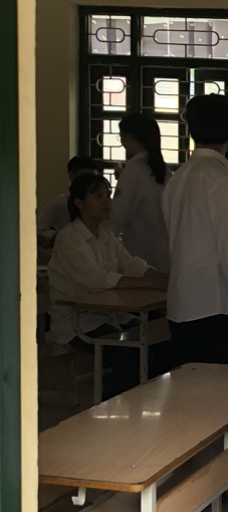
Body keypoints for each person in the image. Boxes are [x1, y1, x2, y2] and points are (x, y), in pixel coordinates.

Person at [46, 172, 169, 394]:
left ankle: (146, 398)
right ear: (79, 203)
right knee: (129, 354)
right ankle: (111, 405)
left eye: (108, 195)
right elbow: (96, 279)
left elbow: (130, 263)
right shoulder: (69, 238)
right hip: (78, 322)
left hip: (110, 316)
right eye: (98, 196)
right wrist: (151, 284)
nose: (106, 201)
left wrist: (164, 278)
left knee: (161, 343)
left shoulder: (105, 235)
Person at [162, 95, 228, 366]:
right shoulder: (223, 181)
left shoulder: (177, 179)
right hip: (211, 304)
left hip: (179, 301)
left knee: (187, 383)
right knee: (215, 386)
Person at [108, 114, 172, 271]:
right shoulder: (165, 171)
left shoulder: (133, 170)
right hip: (167, 253)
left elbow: (117, 216)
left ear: (129, 137)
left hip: (140, 253)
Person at [37, 154, 100, 243]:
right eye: (85, 177)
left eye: (94, 178)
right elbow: (38, 231)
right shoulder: (58, 204)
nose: (90, 182)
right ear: (71, 175)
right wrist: (58, 235)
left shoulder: (99, 204)